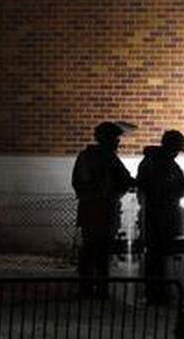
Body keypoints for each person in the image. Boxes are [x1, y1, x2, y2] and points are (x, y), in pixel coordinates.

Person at [71, 121, 135, 296]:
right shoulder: (102, 158)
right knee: (96, 249)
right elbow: (125, 180)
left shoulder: (93, 157)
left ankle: (93, 287)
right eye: (115, 138)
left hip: (97, 209)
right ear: (106, 139)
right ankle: (94, 288)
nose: (117, 142)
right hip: (99, 209)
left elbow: (126, 180)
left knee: (95, 249)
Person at [136, 129, 184, 303]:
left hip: (165, 216)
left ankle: (159, 291)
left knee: (162, 256)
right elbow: (158, 190)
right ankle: (155, 293)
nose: (178, 153)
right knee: (156, 255)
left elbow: (174, 186)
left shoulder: (164, 163)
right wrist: (183, 188)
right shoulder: (157, 163)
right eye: (176, 149)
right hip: (156, 216)